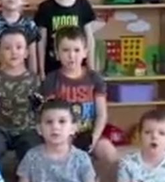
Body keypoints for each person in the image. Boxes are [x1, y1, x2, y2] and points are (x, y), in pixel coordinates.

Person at [41, 26, 117, 165]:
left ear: (85, 52)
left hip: (90, 133)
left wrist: (94, 138)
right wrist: (62, 139)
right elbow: (49, 116)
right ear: (57, 53)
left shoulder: (95, 78)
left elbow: (101, 114)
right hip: (62, 136)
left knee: (109, 153)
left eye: (76, 50)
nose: (71, 55)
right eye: (65, 50)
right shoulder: (51, 79)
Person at [0, 27, 42, 166]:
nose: (13, 52)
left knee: (33, 150)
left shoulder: (34, 80)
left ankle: (26, 179)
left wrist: (40, 107)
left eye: (19, 47)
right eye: (7, 48)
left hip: (26, 129)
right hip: (0, 129)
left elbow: (40, 109)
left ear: (26, 52)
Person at [34, 0, 97, 77]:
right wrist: (41, 70)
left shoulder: (83, 5)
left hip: (79, 70)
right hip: (53, 70)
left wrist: (91, 68)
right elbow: (41, 41)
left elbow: (89, 38)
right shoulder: (45, 7)